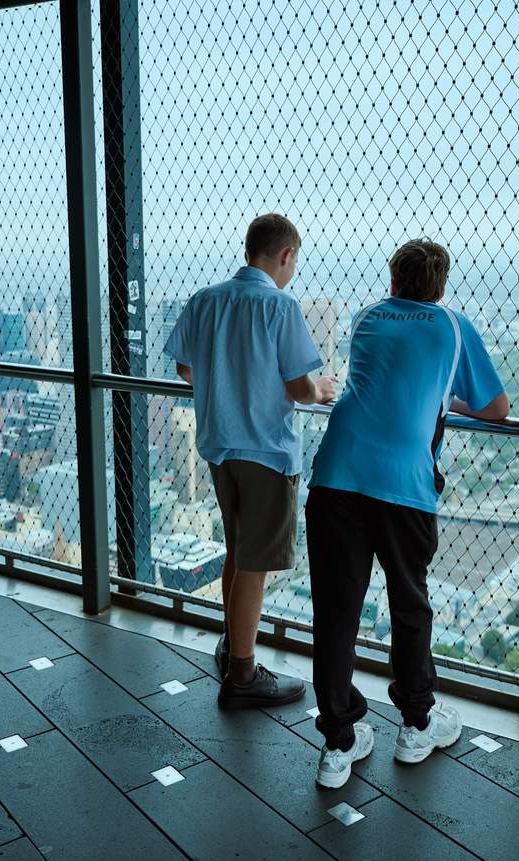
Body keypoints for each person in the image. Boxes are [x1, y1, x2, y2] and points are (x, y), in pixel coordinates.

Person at [306, 238, 509, 788]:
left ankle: (338, 743)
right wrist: (450, 402)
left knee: (337, 613)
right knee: (410, 607)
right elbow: (496, 408)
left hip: (336, 478)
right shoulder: (452, 326)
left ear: (392, 280)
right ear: (441, 288)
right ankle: (416, 725)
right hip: (404, 487)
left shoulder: (367, 316)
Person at [165, 213, 338, 709]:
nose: (293, 271)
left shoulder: (206, 299)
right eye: (294, 262)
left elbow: (183, 366)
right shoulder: (281, 307)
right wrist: (319, 389)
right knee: (256, 563)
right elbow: (297, 386)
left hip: (220, 446)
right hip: (266, 450)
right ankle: (243, 673)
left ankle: (231, 644)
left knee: (238, 551)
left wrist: (226, 386)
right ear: (285, 255)